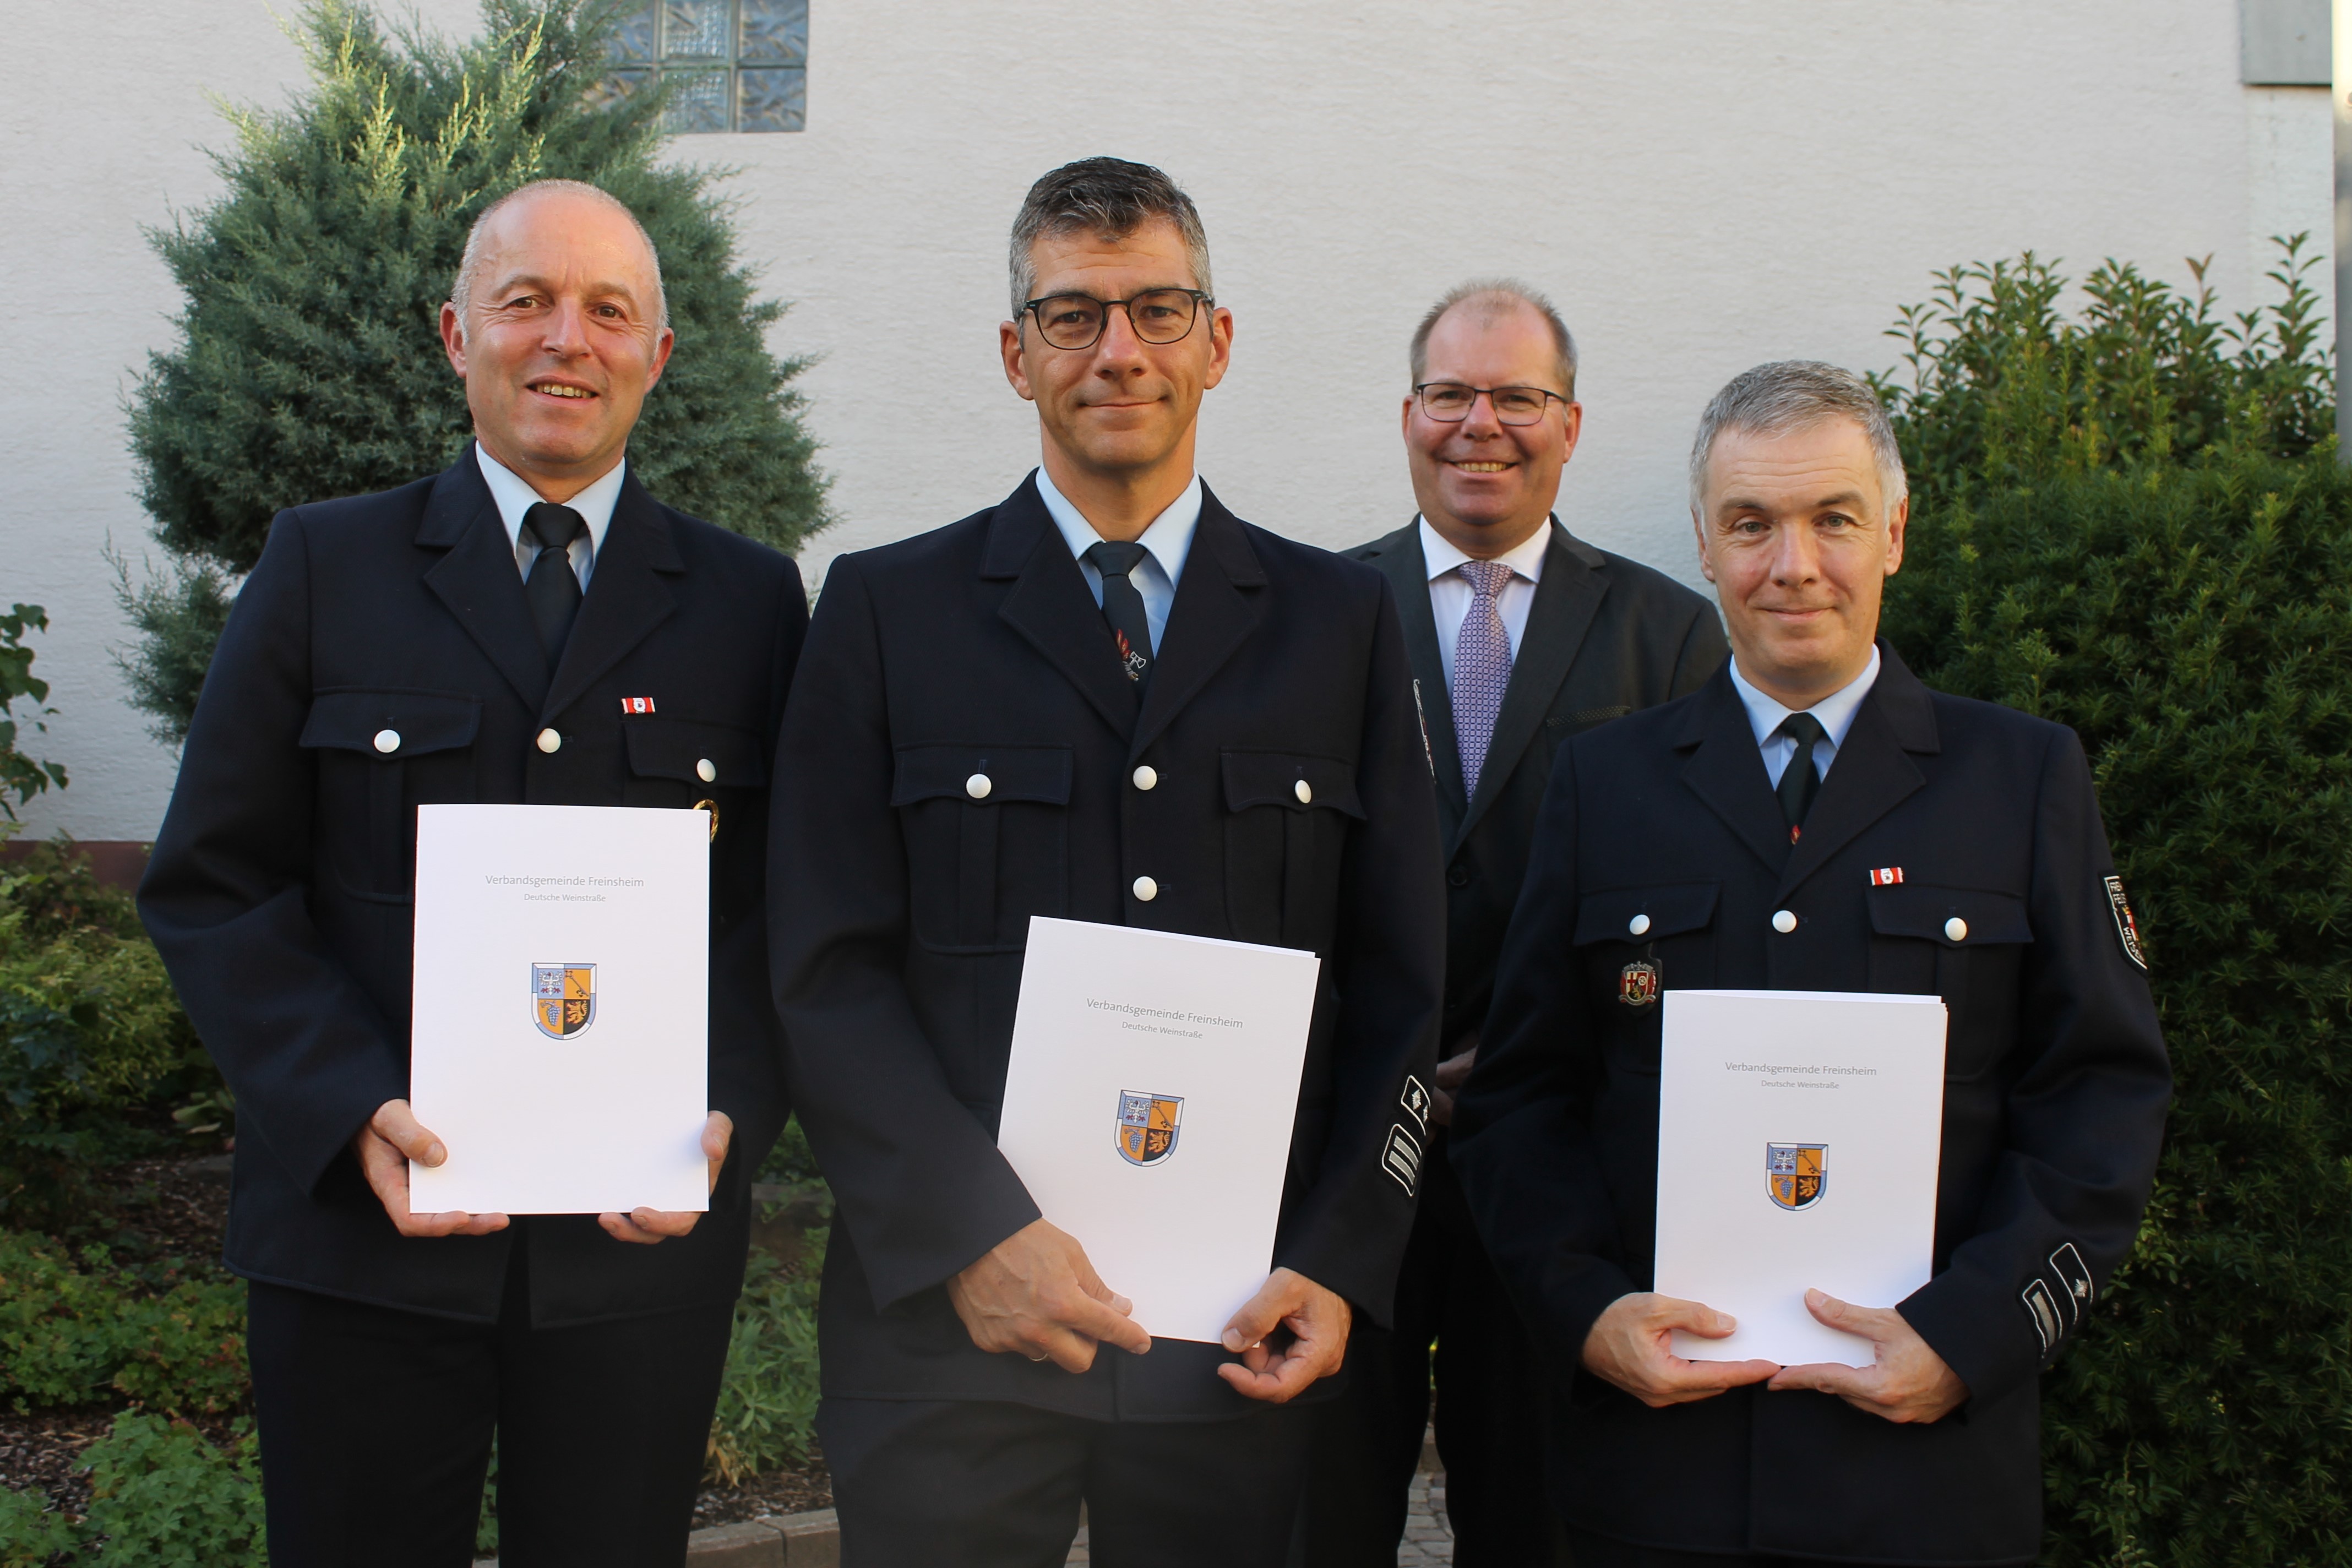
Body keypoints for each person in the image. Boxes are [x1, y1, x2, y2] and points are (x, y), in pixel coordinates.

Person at [769, 156, 1445, 1567]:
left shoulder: (1342, 623)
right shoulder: (888, 611)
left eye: (1157, 309)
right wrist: (971, 1237)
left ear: (1219, 340)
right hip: (947, 1334)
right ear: (1016, 355)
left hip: (1235, 1335)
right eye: (1073, 317)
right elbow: (824, 971)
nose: (1118, 352)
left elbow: (1396, 986)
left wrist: (1337, 1253)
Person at [138, 179, 807, 1568]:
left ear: (657, 357)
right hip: (359, 1243)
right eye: (526, 302)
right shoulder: (327, 563)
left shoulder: (749, 600)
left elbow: (779, 910)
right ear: (457, 333)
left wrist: (727, 1105)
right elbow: (215, 878)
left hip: (638, 1248)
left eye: (608, 311)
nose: (568, 339)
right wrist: (342, 1106)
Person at [1449, 360, 2171, 1566]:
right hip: (1653, 1477)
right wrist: (1585, 1312)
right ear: (1704, 543)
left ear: (1893, 530)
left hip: (1924, 1479)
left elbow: (2102, 1092)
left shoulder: (2021, 777)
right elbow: (1523, 1097)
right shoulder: (1606, 784)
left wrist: (1976, 1333)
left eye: (1832, 518)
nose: (1793, 564)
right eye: (1751, 524)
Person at [1302, 281, 1726, 1565]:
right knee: (1318, 1508)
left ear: (1572, 422)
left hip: (1557, 1159)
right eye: (1451, 395)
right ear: (1408, 414)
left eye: (1518, 397)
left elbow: (1705, 898)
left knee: (1535, 1515)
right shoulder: (1313, 614)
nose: (1481, 424)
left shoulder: (1669, 634)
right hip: (1340, 1152)